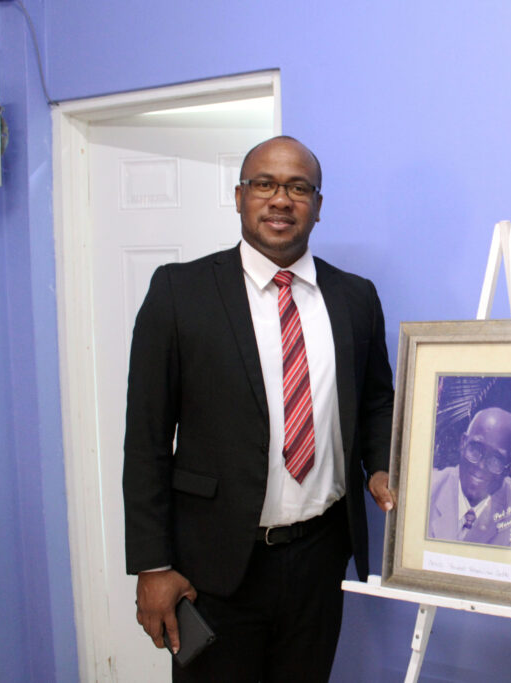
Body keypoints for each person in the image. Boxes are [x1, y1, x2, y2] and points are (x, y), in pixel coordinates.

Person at [123, 135, 396, 682]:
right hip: (215, 568)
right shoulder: (180, 292)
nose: (280, 199)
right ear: (240, 196)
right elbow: (146, 439)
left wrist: (382, 464)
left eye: (299, 187)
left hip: (320, 557)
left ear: (317, 205)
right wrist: (153, 566)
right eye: (264, 184)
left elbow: (376, 402)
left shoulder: (355, 297)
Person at [426, 407, 511, 550]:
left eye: (496, 459)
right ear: (463, 443)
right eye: (475, 449)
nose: (481, 466)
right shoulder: (426, 487)